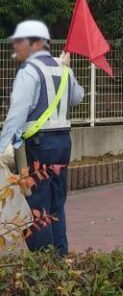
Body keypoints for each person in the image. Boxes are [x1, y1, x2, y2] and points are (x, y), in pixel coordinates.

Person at [0, 20, 84, 254]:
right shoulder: (63, 67)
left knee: (37, 204)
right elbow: (78, 98)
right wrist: (66, 68)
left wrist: (2, 146)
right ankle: (60, 257)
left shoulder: (30, 71)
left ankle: (44, 265)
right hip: (63, 142)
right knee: (57, 202)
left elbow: (16, 115)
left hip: (38, 145)